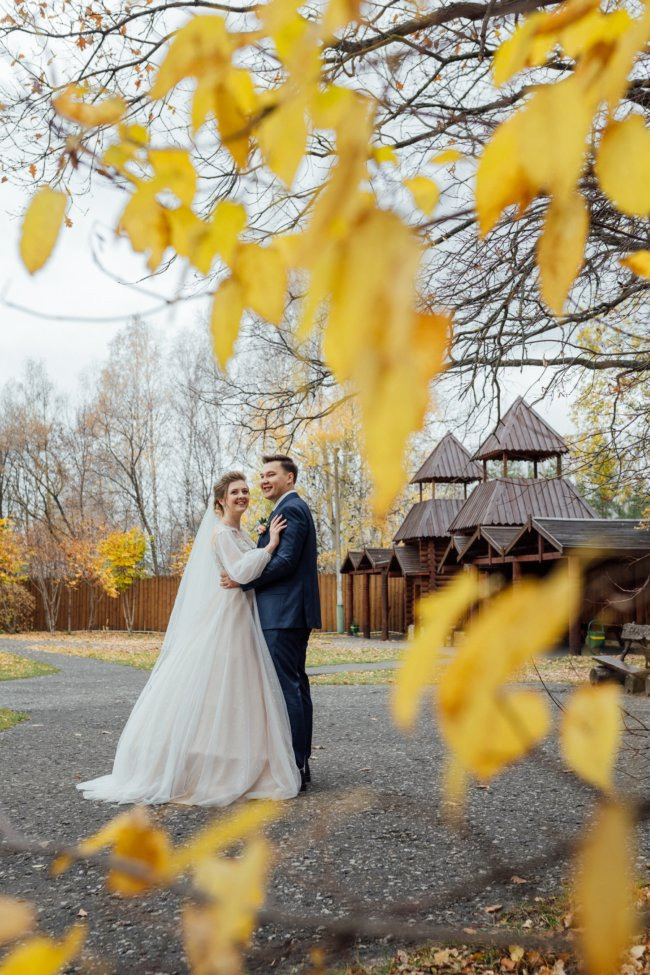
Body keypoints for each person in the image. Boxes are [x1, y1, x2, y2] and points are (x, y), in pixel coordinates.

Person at [76, 472, 301, 806]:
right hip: (227, 618)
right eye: (235, 492)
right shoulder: (221, 534)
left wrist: (257, 550)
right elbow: (240, 573)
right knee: (216, 685)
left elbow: (241, 572)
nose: (242, 496)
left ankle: (233, 756)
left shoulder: (237, 532)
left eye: (245, 491)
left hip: (241, 615)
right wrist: (269, 546)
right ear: (221, 500)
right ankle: (202, 764)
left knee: (238, 688)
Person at [220, 455, 321, 791]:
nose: (263, 481)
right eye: (261, 475)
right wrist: (265, 542)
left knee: (288, 687)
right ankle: (299, 761)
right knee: (295, 685)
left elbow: (288, 561)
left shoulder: (290, 509)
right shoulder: (287, 509)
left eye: (271, 475)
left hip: (283, 613)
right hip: (290, 611)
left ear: (289, 478)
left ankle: (293, 764)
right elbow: (279, 556)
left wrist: (243, 581)